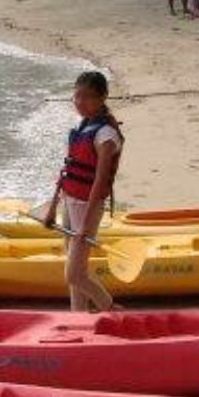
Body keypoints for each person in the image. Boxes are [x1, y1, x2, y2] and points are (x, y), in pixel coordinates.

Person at [44, 72, 122, 313]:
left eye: (87, 97)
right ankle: (78, 318)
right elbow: (67, 169)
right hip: (70, 200)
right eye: (77, 96)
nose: (80, 102)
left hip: (89, 206)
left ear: (103, 97)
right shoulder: (82, 125)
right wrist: (52, 207)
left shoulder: (106, 135)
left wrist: (84, 226)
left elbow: (99, 183)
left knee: (74, 274)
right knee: (76, 270)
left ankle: (110, 308)